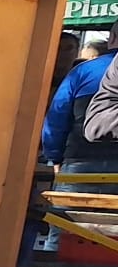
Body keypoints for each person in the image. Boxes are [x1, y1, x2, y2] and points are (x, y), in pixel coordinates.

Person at [43, 30, 118, 172]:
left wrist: (54, 157)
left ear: (112, 38)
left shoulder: (82, 71)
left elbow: (57, 117)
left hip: (80, 161)